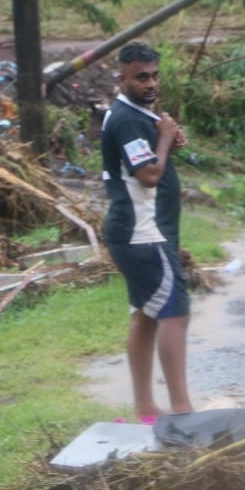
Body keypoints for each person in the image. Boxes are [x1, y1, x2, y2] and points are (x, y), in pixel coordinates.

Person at [101, 41, 193, 419]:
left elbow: (151, 159)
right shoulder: (125, 119)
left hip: (141, 232)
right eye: (141, 77)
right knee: (174, 313)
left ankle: (145, 408)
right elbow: (149, 175)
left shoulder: (136, 114)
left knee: (146, 315)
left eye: (155, 76)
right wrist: (167, 139)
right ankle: (183, 410)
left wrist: (166, 137)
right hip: (144, 234)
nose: (151, 84)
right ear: (121, 78)